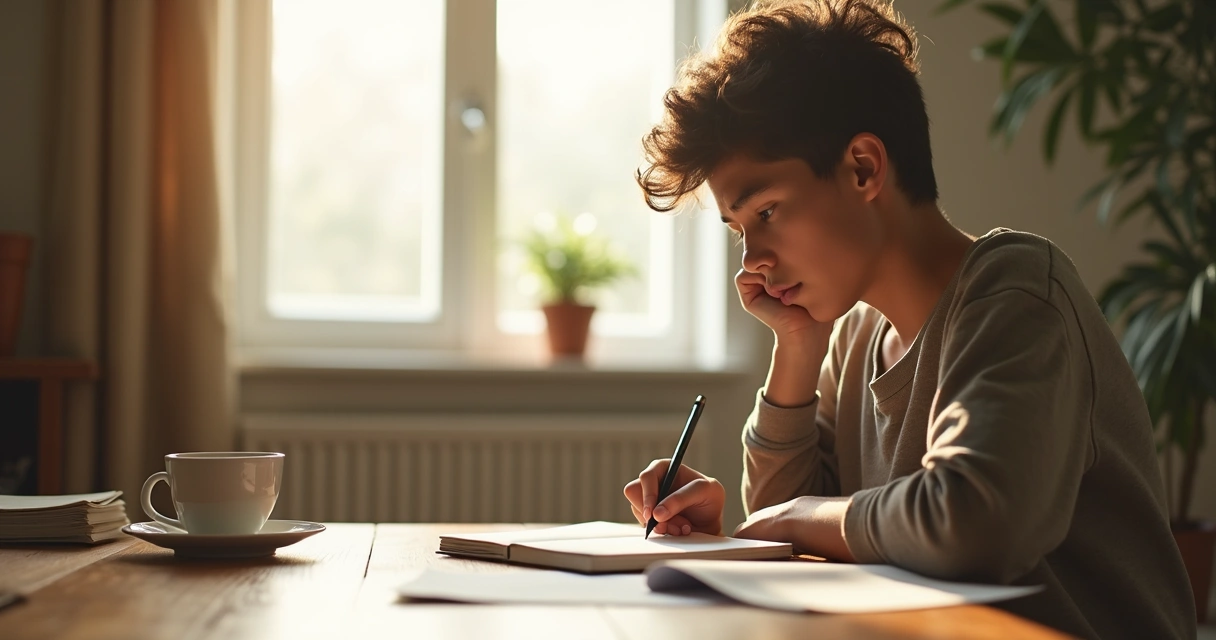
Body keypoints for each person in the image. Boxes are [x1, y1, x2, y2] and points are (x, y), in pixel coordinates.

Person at [621, 1, 1197, 638]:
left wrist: (803, 515)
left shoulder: (1016, 294)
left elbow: (974, 523)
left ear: (864, 168)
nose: (753, 259)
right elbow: (788, 517)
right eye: (738, 231)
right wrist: (798, 343)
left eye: (767, 213)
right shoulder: (856, 335)